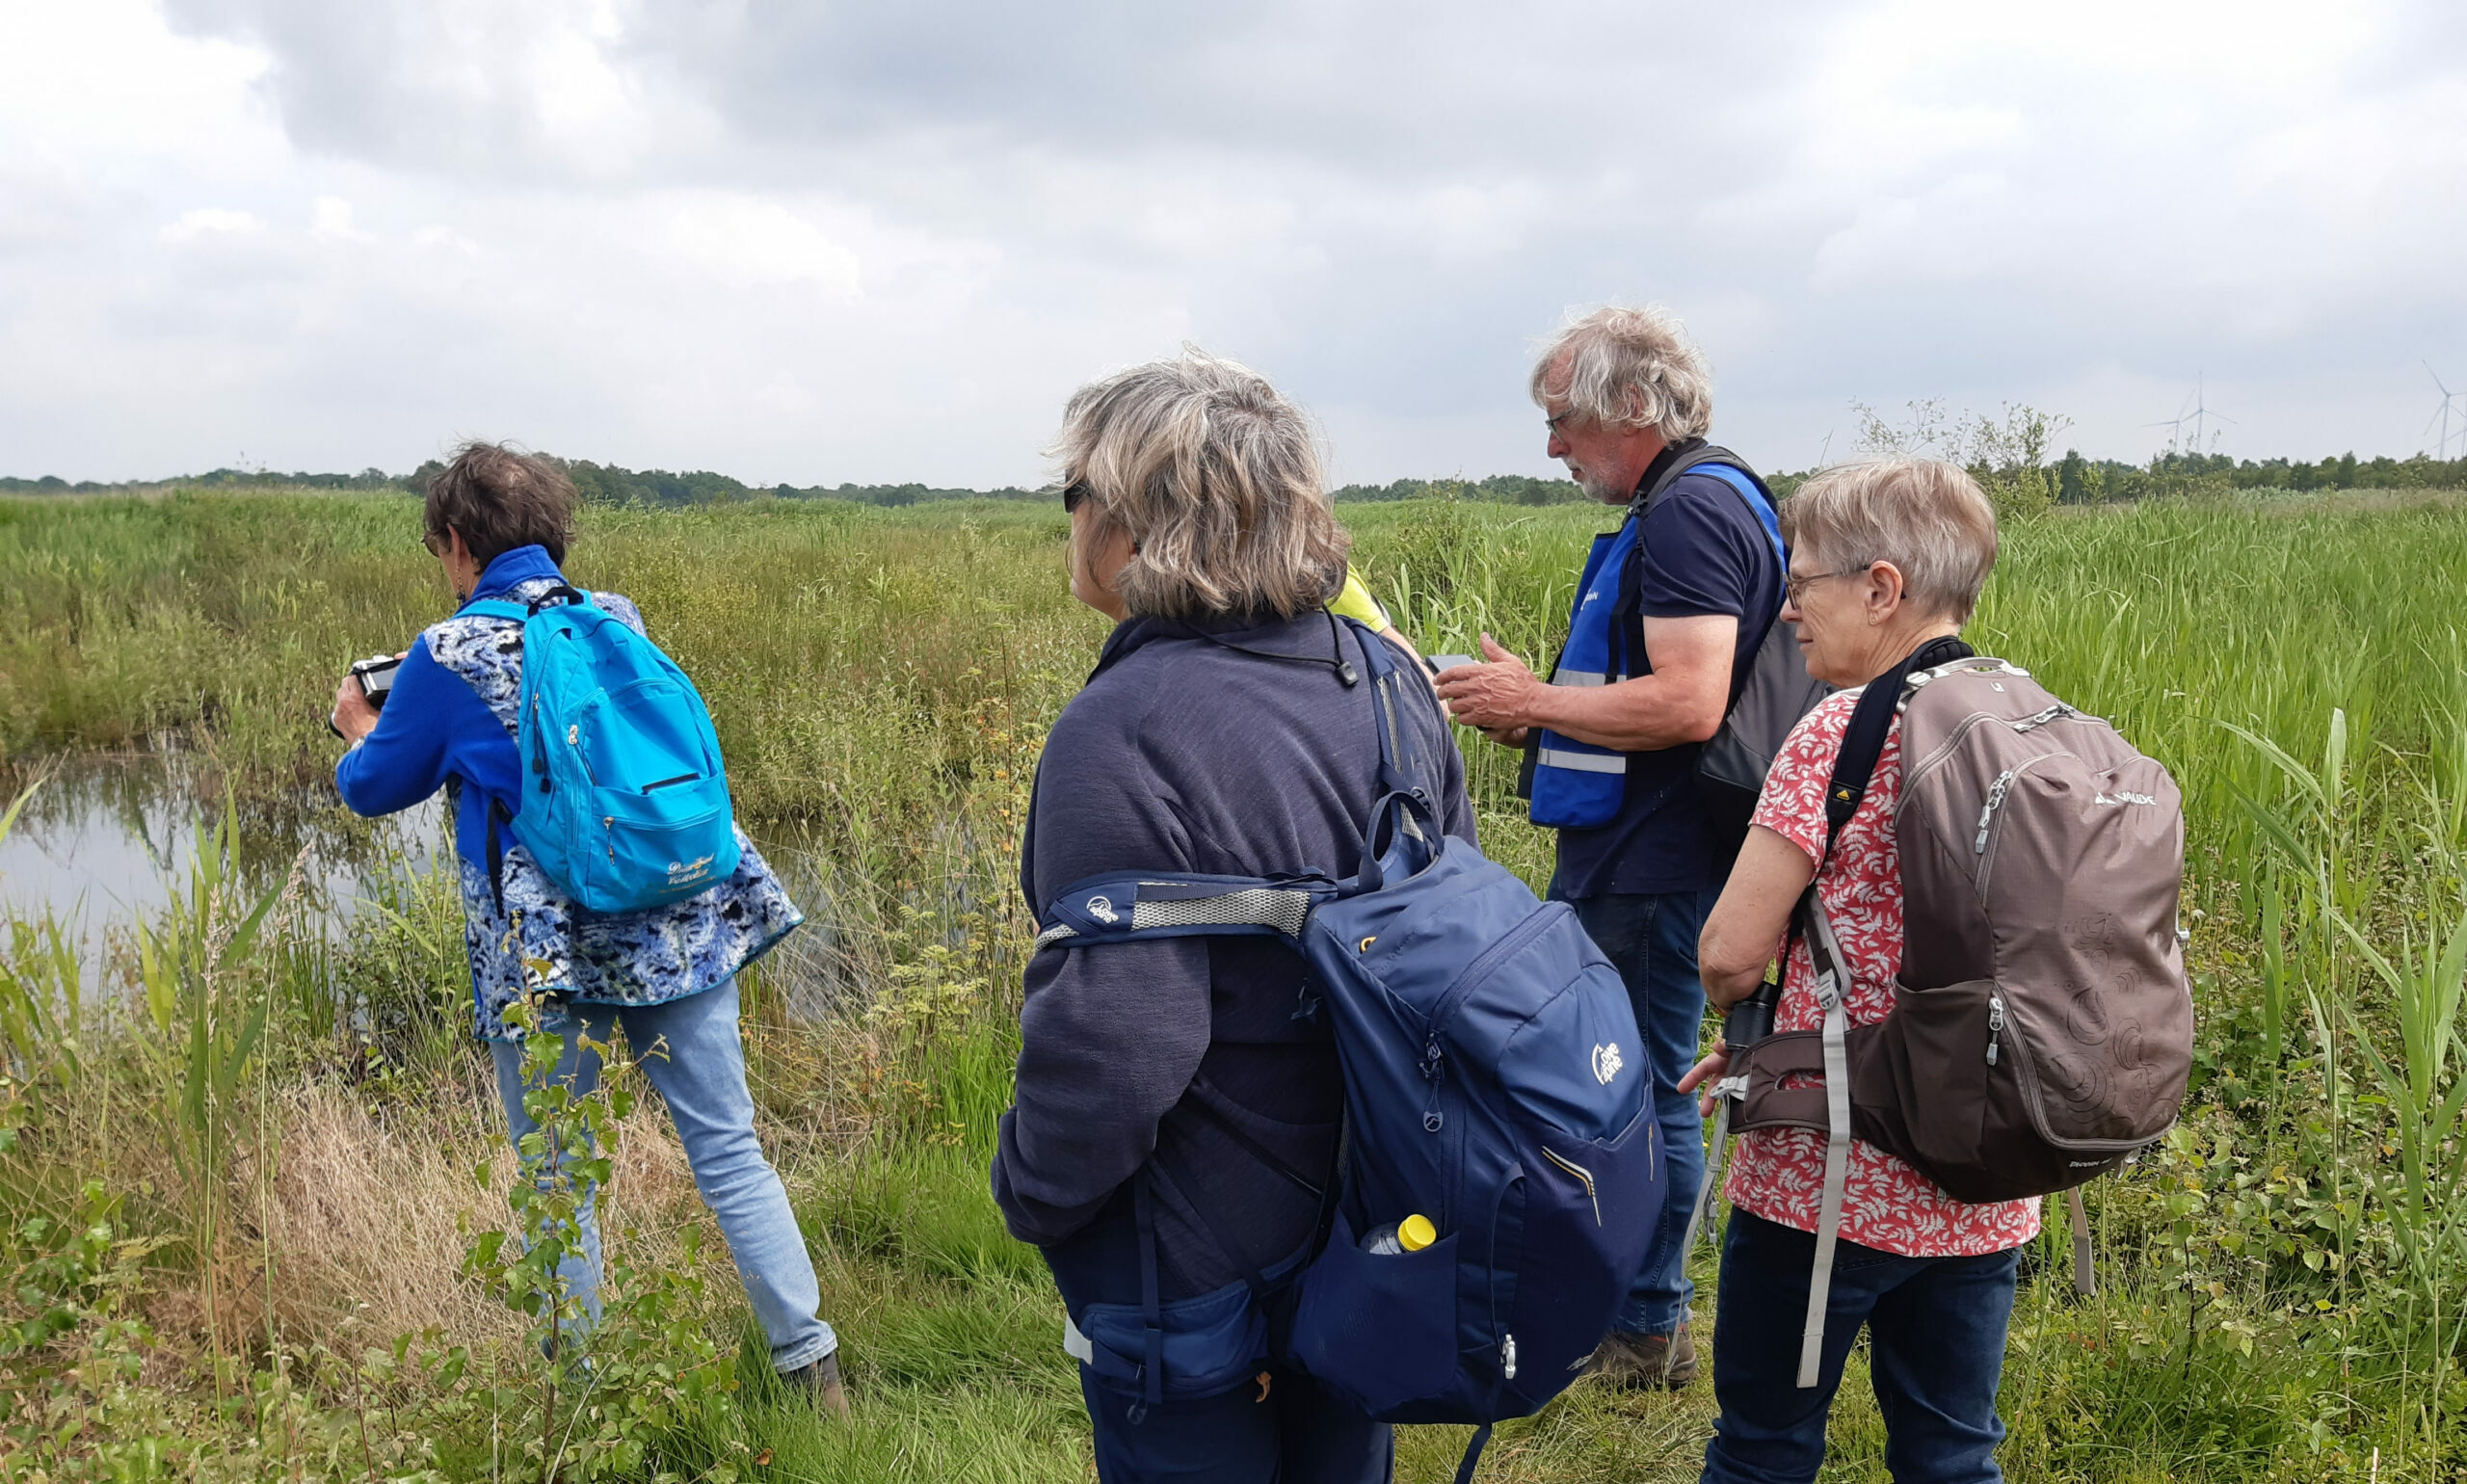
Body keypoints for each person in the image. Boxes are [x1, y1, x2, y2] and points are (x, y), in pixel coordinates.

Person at [992, 352, 1474, 1484]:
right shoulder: (1386, 678)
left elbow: (1121, 1048)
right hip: (1373, 1219)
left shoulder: (1121, 730)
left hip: (1188, 1262)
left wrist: (1034, 1191)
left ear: (1129, 520)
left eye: (1073, 491)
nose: (1068, 518)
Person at [330, 443, 845, 1412]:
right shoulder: (615, 619)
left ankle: (585, 1407)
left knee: (559, 1180)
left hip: (549, 958)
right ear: (554, 534)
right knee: (731, 1154)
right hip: (680, 923)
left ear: (454, 543)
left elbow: (375, 787)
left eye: (438, 546)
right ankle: (814, 1370)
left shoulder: (446, 654)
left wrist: (357, 725)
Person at [1434, 305, 1783, 1390]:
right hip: (1656, 848)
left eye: (1562, 419)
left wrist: (1532, 697)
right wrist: (1534, 711)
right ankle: (1641, 1316)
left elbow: (1687, 701)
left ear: (1631, 405)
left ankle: (1643, 1329)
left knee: (1634, 1088)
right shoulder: (1709, 497)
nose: (1550, 447)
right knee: (1636, 1079)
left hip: (1655, 858)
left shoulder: (1685, 514)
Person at [1678, 458, 2028, 1484]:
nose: (1786, 613)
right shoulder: (2027, 714)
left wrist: (1741, 1016)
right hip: (1986, 1172)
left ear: (1881, 588)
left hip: (1828, 1175)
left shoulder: (1837, 731)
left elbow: (1730, 952)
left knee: (1765, 1444)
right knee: (1955, 1448)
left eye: (1800, 587)